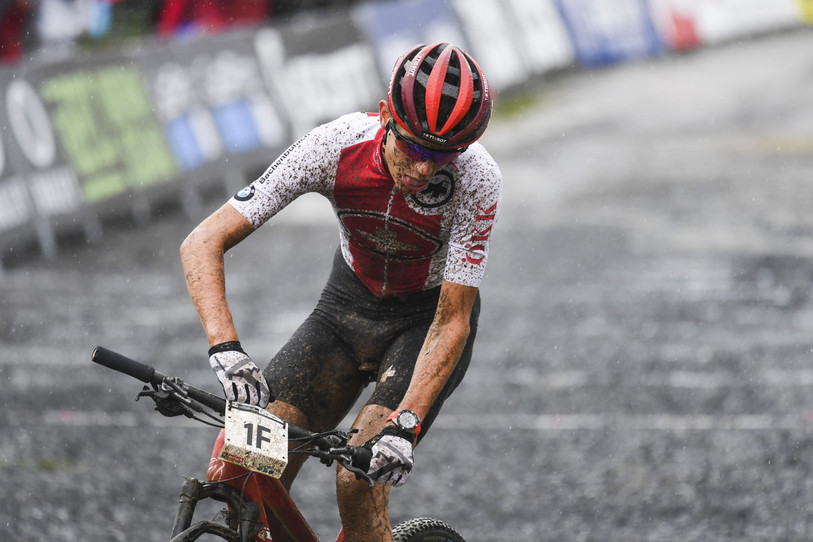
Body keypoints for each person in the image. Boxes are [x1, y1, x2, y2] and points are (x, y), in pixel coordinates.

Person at [180, 42, 502, 542]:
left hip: (424, 323)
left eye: (441, 157)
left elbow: (453, 318)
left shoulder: (477, 179)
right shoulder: (332, 146)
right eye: (414, 147)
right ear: (383, 116)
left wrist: (406, 424)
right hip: (344, 311)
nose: (423, 170)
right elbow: (202, 241)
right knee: (246, 464)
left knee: (357, 480)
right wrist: (226, 350)